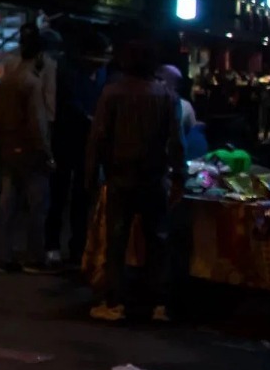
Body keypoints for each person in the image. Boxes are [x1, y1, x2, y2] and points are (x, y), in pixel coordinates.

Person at [86, 38, 183, 323]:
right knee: (157, 242)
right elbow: (176, 143)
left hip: (120, 179)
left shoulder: (112, 93)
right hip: (154, 179)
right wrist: (178, 177)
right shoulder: (167, 96)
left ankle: (114, 302)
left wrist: (92, 177)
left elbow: (98, 140)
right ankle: (158, 304)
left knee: (116, 242)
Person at [0, 31, 54, 273]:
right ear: (40, 54)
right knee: (38, 204)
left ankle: (4, 255)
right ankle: (35, 257)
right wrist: (47, 152)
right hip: (30, 150)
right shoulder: (32, 81)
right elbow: (37, 122)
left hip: (9, 146)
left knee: (7, 204)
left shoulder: (9, 79)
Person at [48, 35, 108, 269]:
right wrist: (89, 119)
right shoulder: (69, 74)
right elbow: (69, 105)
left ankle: (78, 247)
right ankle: (52, 245)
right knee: (59, 193)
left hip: (89, 145)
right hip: (66, 140)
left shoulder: (102, 76)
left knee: (83, 198)